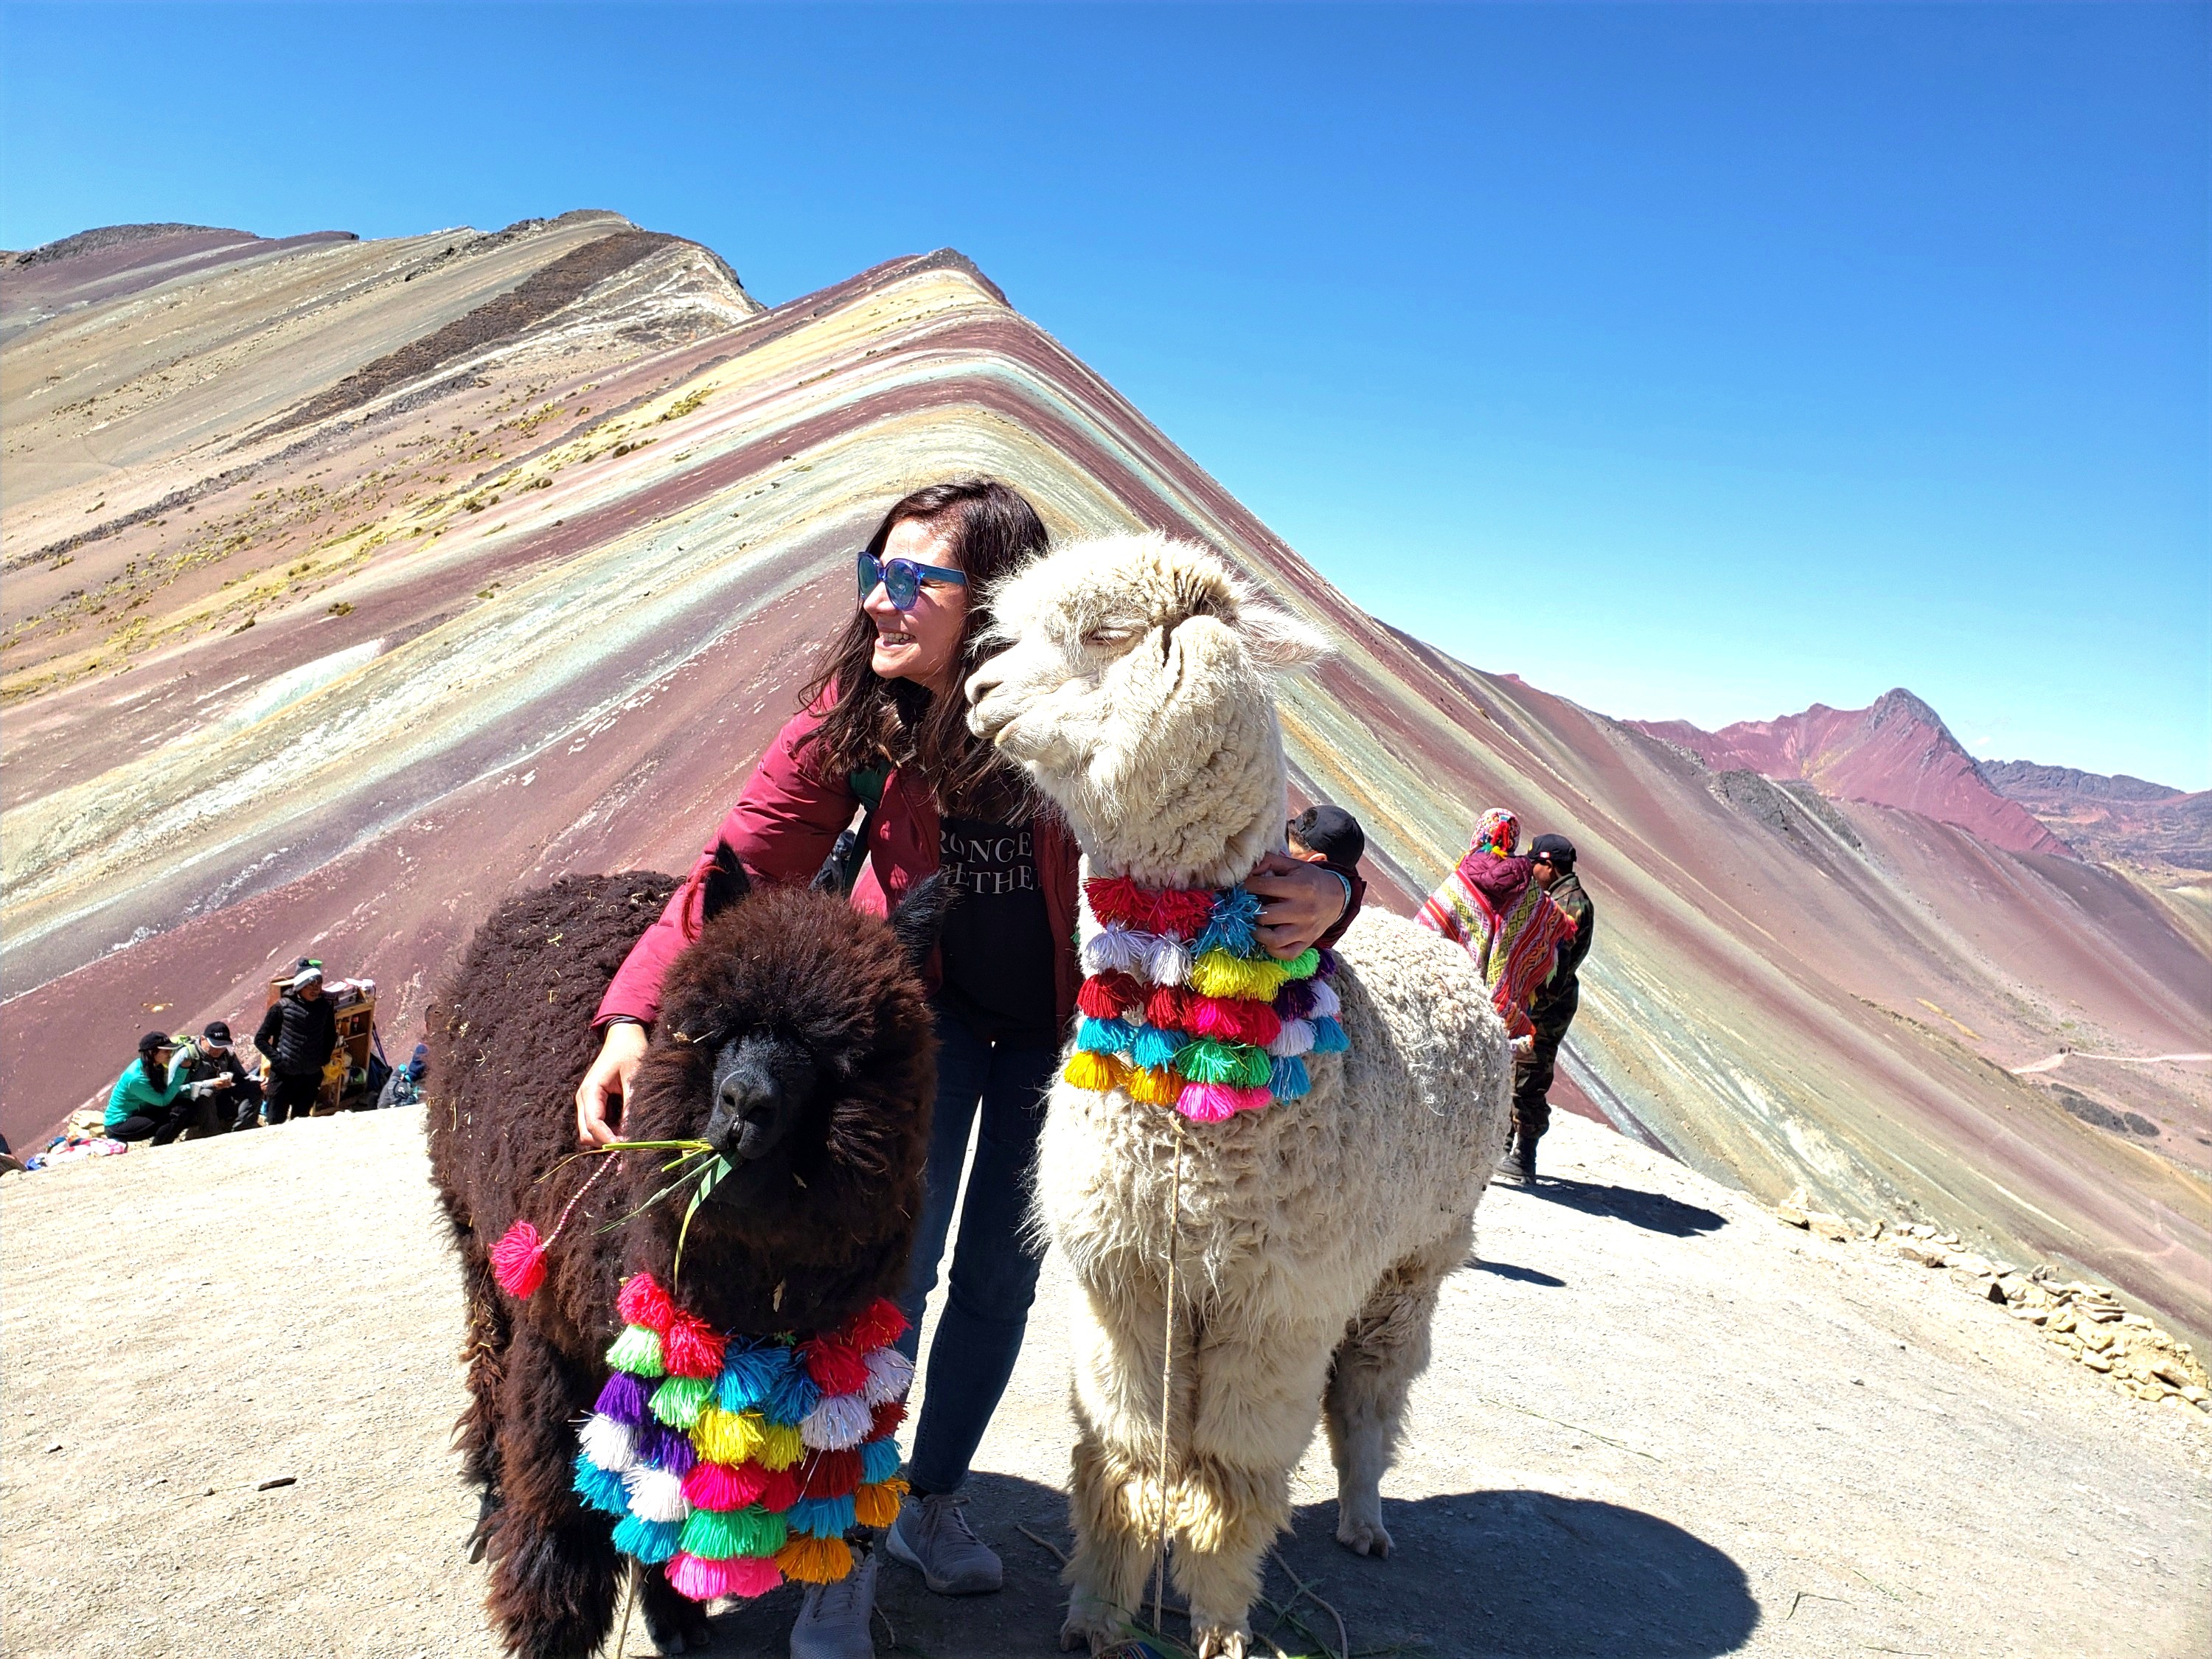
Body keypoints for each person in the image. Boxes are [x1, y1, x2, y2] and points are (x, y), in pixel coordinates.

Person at [574, 479, 1358, 1659]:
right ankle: (849, 1539)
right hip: (918, 1032)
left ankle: (932, 1496)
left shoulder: (1095, 695)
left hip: (1070, 1035)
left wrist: (1332, 895)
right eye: (873, 574)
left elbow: (1226, 811)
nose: (881, 600)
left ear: (987, 599)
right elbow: (737, 862)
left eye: (912, 580)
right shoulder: (859, 718)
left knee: (1003, 1280)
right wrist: (635, 1016)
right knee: (892, 1273)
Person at [1416, 807, 1578, 1176]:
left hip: (1451, 1001)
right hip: (1496, 1011)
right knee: (1485, 1083)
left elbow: (1422, 931)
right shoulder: (1534, 897)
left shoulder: (1461, 881)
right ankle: (1473, 1160)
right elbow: (1557, 935)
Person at [1514, 833, 1595, 1178]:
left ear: (1550, 865)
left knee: (1529, 1077)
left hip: (1547, 1007)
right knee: (1513, 1071)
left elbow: (1555, 966)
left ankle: (1525, 1155)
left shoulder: (1570, 905)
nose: (1531, 868)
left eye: (1536, 863)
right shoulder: (1556, 896)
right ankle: (1504, 1144)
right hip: (1535, 1002)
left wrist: (1529, 1003)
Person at [254, 964, 338, 1126]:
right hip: (283, 1077)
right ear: (300, 987)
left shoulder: (324, 1008)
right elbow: (260, 1039)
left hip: (310, 1076)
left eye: (318, 986)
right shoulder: (281, 1007)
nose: (315, 990)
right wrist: (278, 1061)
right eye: (310, 986)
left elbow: (330, 1036)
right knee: (275, 1123)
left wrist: (323, 1059)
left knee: (301, 1122)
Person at [105, 1032, 203, 1144]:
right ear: (152, 1052)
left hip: (139, 1112)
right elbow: (163, 1101)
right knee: (179, 1112)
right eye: (166, 1051)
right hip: (119, 1125)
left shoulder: (153, 1066)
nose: (170, 1054)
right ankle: (159, 1147)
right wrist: (182, 1071)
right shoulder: (136, 1078)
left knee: (187, 1105)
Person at [172, 1020, 260, 1135]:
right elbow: (175, 1091)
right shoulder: (186, 1055)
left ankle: (243, 1128)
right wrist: (211, 1084)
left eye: (222, 1046)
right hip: (193, 1105)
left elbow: (242, 1077)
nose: (218, 1050)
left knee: (255, 1087)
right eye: (214, 1046)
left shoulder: (227, 1054)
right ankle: (212, 1133)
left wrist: (259, 1081)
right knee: (206, 1093)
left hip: (220, 1100)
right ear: (203, 1039)